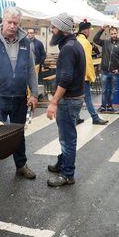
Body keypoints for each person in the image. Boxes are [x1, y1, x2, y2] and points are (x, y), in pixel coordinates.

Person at [0, 7, 38, 179]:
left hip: (19, 96)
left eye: (15, 23)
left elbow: (31, 70)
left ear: (19, 24)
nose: (12, 26)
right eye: (9, 22)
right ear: (3, 20)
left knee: (18, 133)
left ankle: (21, 165)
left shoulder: (26, 42)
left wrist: (34, 94)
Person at [45, 13, 85, 187]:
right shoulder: (73, 44)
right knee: (66, 134)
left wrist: (53, 102)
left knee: (67, 138)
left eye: (53, 27)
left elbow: (66, 78)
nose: (52, 30)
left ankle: (67, 174)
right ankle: (63, 163)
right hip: (73, 98)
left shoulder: (68, 48)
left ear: (61, 29)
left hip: (69, 100)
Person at [75, 20, 108, 125]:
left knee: (79, 97)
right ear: (85, 30)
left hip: (76, 75)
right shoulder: (85, 43)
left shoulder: (76, 40)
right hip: (83, 75)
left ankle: (76, 117)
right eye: (89, 30)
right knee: (87, 97)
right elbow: (87, 61)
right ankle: (95, 117)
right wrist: (90, 75)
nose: (90, 32)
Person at [93, 25, 119, 113]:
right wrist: (101, 29)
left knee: (112, 91)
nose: (113, 35)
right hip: (104, 71)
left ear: (117, 33)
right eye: (112, 34)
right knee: (104, 91)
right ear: (110, 34)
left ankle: (110, 106)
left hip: (114, 72)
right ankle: (103, 106)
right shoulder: (105, 42)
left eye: (115, 33)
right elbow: (95, 40)